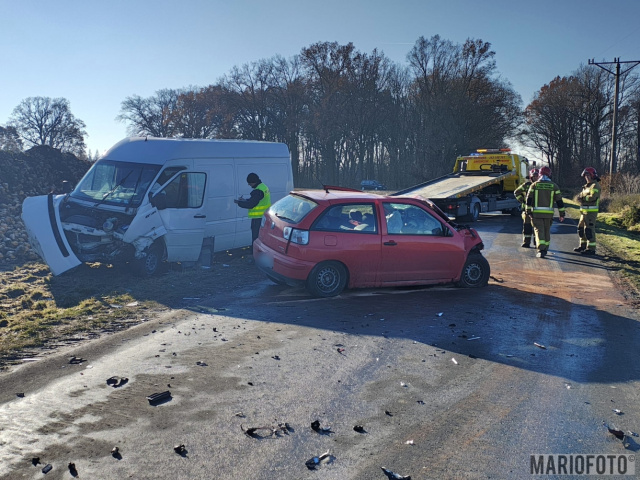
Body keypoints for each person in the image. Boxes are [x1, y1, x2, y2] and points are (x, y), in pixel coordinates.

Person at [525, 166, 565, 258]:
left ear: (539, 175)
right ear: (549, 175)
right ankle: (545, 248)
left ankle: (541, 250)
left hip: (536, 214)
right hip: (549, 215)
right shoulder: (554, 186)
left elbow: (528, 199)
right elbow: (559, 201)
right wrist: (562, 214)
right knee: (547, 231)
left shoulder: (534, 185)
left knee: (539, 231)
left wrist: (528, 211)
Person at [234, 173, 271, 248]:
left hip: (258, 218)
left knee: (256, 238)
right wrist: (245, 200)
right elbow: (255, 200)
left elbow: (251, 204)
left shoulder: (258, 191)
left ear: (253, 182)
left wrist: (239, 203)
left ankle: (255, 255)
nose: (249, 185)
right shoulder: (263, 187)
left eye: (249, 183)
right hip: (263, 217)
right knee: (261, 238)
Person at [574, 167, 601, 255]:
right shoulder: (586, 186)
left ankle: (591, 249)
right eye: (585, 175)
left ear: (593, 175)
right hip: (584, 212)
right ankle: (582, 246)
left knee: (589, 230)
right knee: (581, 229)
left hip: (591, 212)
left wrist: (582, 198)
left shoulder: (595, 185)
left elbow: (593, 197)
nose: (587, 177)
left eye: (588, 175)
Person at [514, 168, 539, 248]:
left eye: (537, 176)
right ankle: (526, 242)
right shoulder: (526, 185)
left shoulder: (540, 185)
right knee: (527, 227)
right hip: (526, 210)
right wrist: (522, 200)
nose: (536, 178)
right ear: (531, 177)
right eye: (534, 176)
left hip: (537, 210)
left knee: (537, 228)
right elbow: (516, 192)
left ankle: (536, 243)